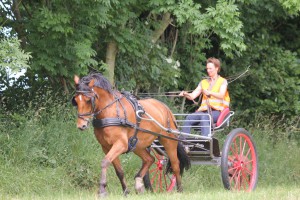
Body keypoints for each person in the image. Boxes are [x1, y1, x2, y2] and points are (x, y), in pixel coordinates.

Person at [179, 57, 230, 137]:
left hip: (218, 112)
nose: (208, 70)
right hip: (203, 111)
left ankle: (204, 141)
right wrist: (185, 94)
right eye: (207, 68)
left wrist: (209, 92)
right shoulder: (203, 82)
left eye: (210, 68)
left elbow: (221, 95)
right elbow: (192, 96)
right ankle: (183, 142)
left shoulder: (223, 81)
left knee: (204, 117)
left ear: (217, 68)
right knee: (189, 117)